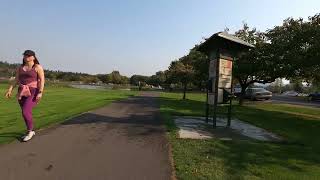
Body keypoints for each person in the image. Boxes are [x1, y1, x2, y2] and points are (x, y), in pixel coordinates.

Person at [5, 50, 45, 142]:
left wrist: (40, 92)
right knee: (25, 113)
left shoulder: (37, 67)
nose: (26, 56)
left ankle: (30, 131)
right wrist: (10, 89)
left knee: (25, 111)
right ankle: (30, 130)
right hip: (22, 92)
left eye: (28, 55)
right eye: (25, 55)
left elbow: (42, 80)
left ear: (33, 57)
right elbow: (16, 79)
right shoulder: (20, 67)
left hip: (33, 91)